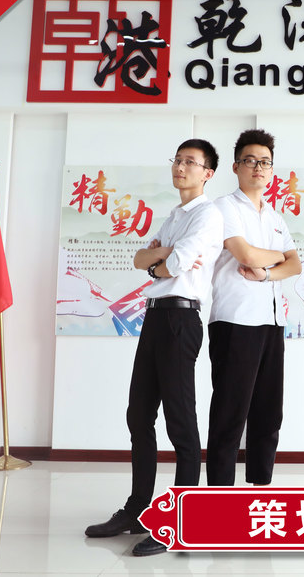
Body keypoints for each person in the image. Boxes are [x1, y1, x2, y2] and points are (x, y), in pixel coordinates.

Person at [84, 139, 224, 557]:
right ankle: (137, 509)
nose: (181, 167)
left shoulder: (208, 215)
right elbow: (141, 260)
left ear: (208, 173)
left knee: (180, 421)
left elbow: (172, 266)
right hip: (156, 317)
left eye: (190, 162)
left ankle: (179, 520)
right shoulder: (176, 215)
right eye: (177, 160)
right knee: (139, 414)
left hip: (181, 319)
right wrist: (163, 257)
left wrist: (162, 259)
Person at [207, 128, 301, 486]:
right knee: (230, 415)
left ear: (272, 170)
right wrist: (279, 255)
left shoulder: (275, 217)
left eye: (265, 162)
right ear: (236, 167)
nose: (258, 167)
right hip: (235, 321)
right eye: (250, 161)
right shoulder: (224, 208)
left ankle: (259, 490)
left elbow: (296, 265)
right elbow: (245, 254)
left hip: (271, 323)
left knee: (268, 415)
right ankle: (219, 497)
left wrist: (268, 273)